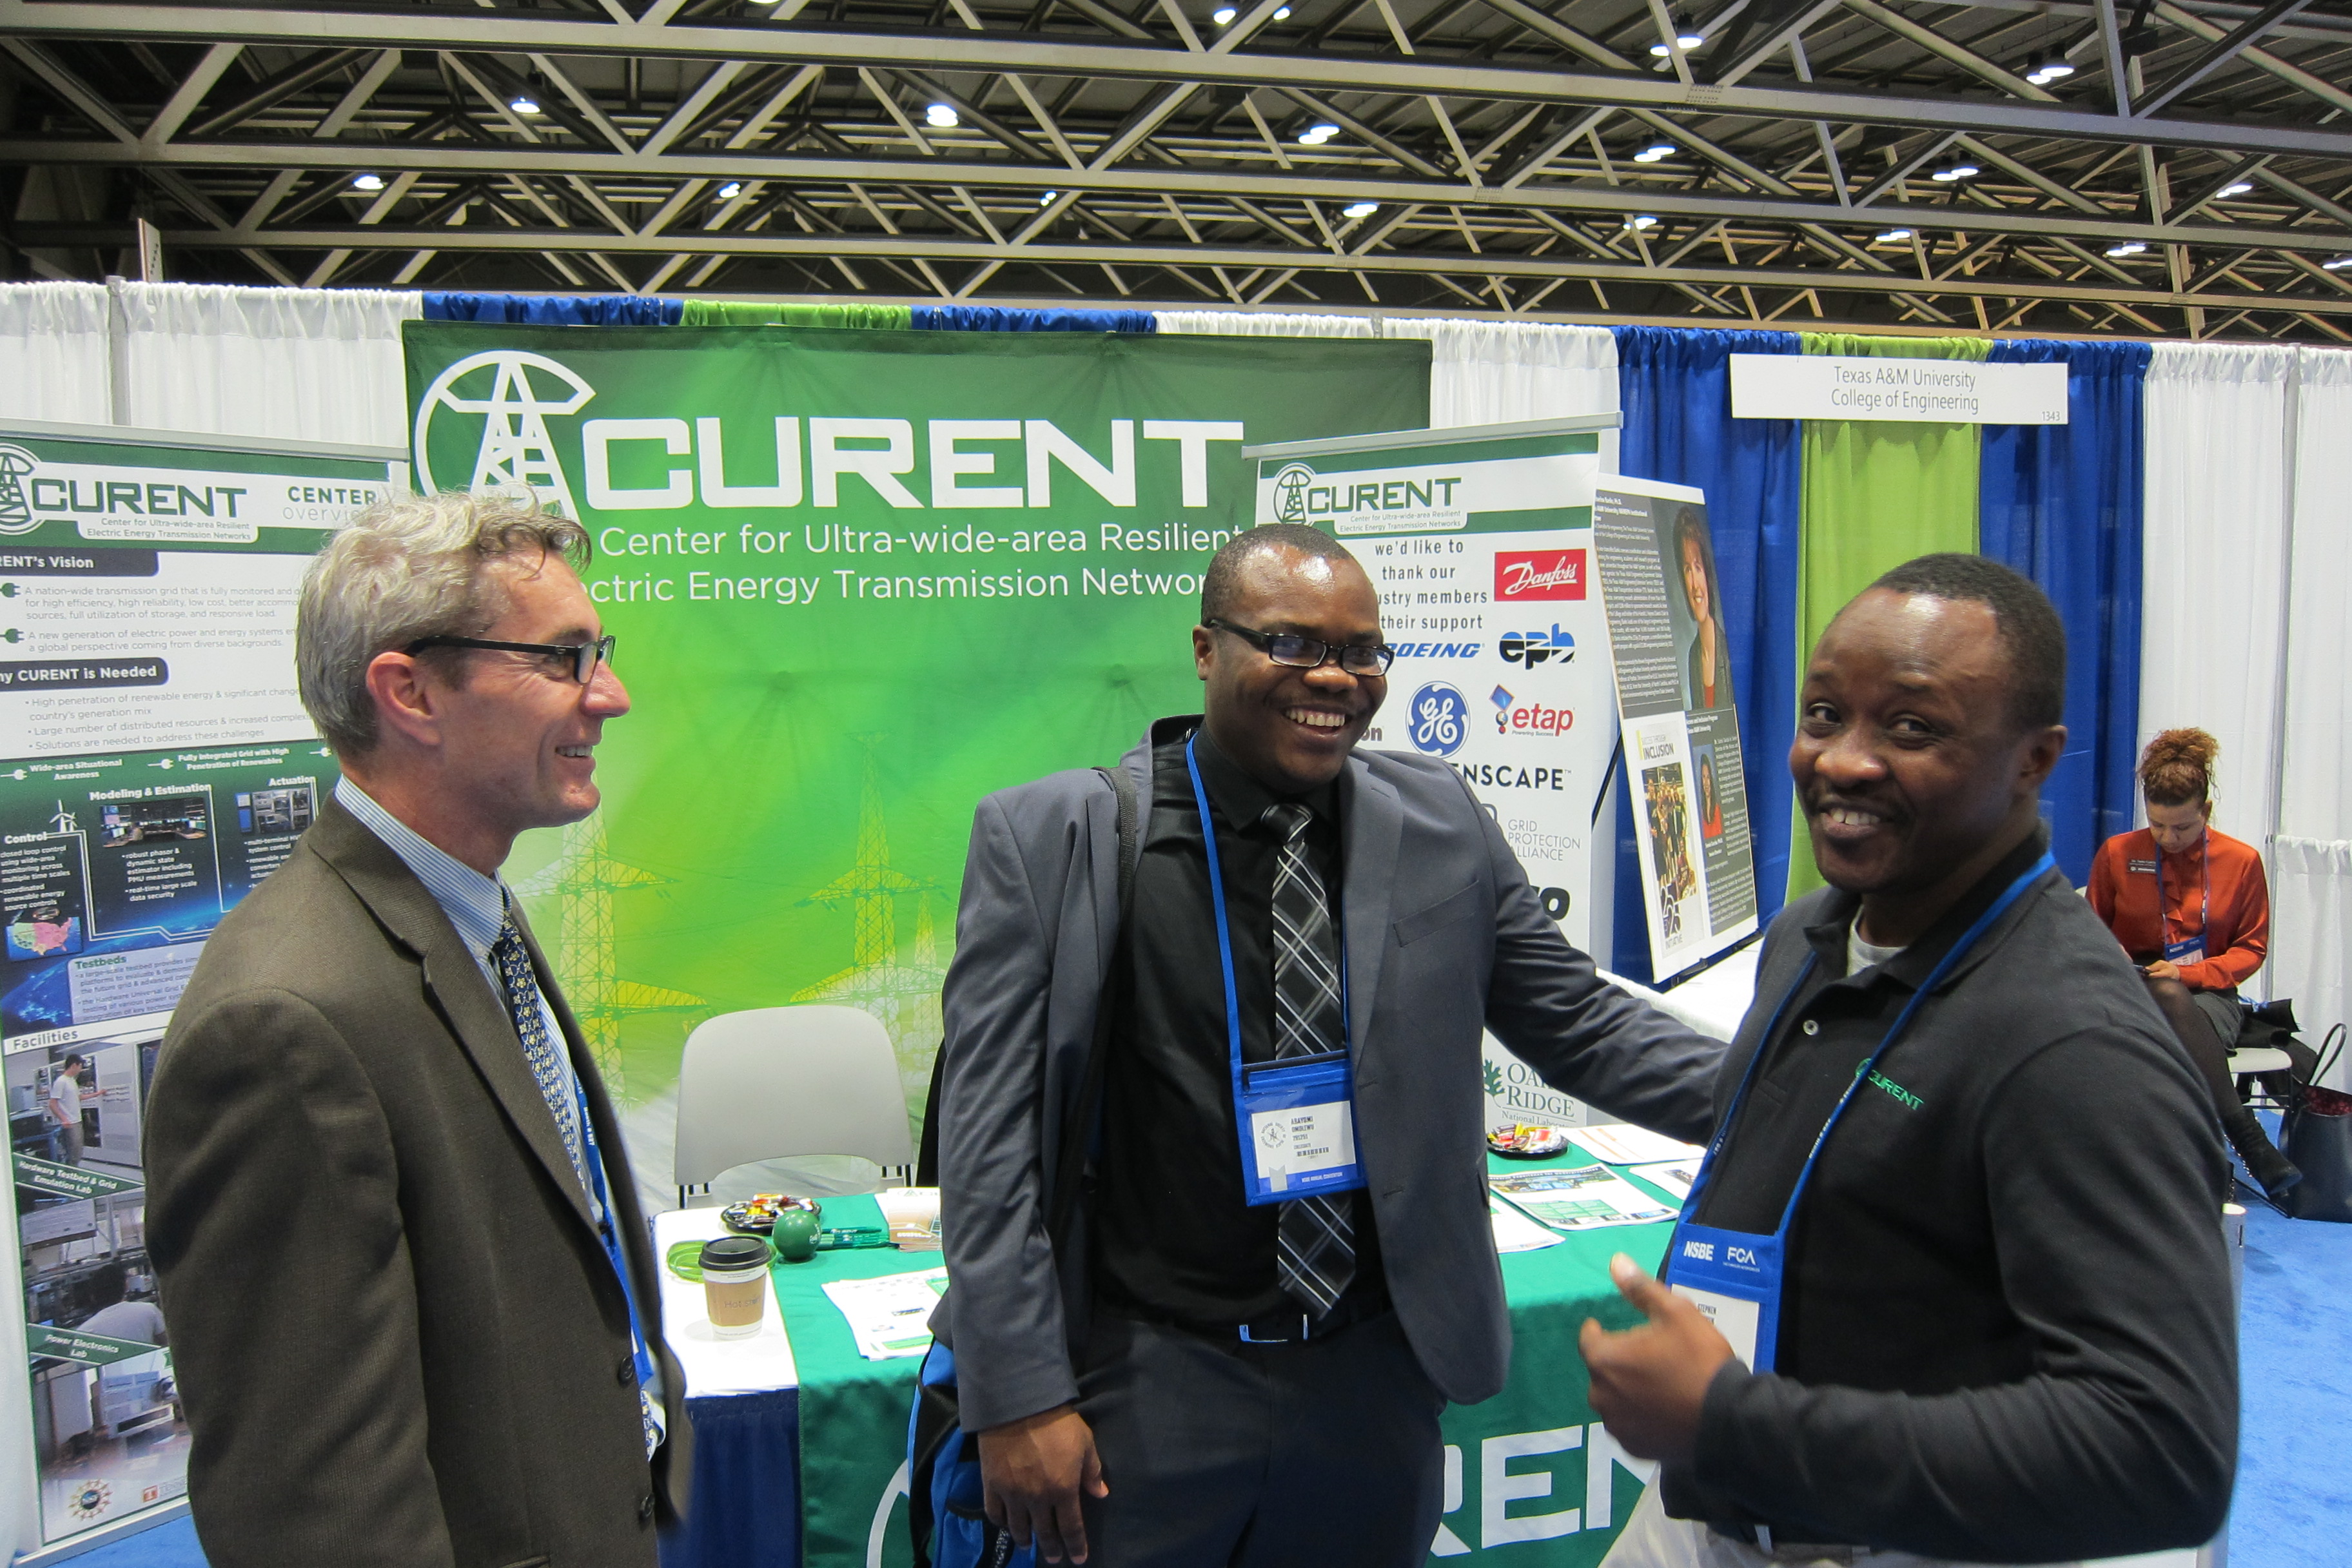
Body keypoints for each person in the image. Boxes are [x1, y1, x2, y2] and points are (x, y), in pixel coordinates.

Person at [935, 524, 1724, 1567]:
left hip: (1368, 1384)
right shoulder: (1060, 838)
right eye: (1292, 643)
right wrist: (1019, 1392)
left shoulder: (1437, 817)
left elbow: (1576, 1022)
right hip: (1148, 1383)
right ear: (1206, 648)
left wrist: (1803, 1095)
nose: (1335, 678)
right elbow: (983, 1146)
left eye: (1362, 652)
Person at [1580, 554, 2235, 1567]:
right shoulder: (1810, 936)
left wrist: (1736, 1420)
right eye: (1824, 713)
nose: (1842, 761)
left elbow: (2161, 1453)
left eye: (1913, 727)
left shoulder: (2075, 1045)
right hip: (1714, 1516)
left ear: (2035, 759)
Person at [146, 492, 689, 1567]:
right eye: (563, 658)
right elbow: (313, 1511)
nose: (611, 696)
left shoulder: (464, 908)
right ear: (409, 693)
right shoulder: (281, 1025)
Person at [2088, 729, 2297, 1198]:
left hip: (2207, 994)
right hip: (2127, 986)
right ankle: (2241, 1140)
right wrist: (2109, 952)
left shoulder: (2241, 862)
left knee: (2170, 1007)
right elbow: (2089, 929)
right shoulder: (2118, 854)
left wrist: (2188, 974)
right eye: (2158, 825)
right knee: (2155, 999)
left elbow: (2251, 949)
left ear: (2205, 811)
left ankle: (2203, 1162)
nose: (2168, 837)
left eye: (2182, 827)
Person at [1677, 509, 1730, 712]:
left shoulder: (1728, 651)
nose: (1694, 585)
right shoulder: (1693, 657)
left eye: (1698, 568)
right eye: (1687, 569)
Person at [75, 1260, 167, 1347]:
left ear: (93, 1295)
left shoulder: (84, 1332)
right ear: (126, 1286)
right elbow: (167, 1343)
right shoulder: (148, 1310)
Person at [43, 1055, 86, 1167]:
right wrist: (64, 1119)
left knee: (78, 1151)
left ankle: (73, 1174)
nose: (80, 1069)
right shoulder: (61, 1082)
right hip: (70, 1123)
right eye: (80, 1066)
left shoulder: (72, 1081)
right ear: (74, 1065)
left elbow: (79, 1097)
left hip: (77, 1121)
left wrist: (99, 1093)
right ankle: (70, 1177)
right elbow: (52, 1103)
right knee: (73, 1153)